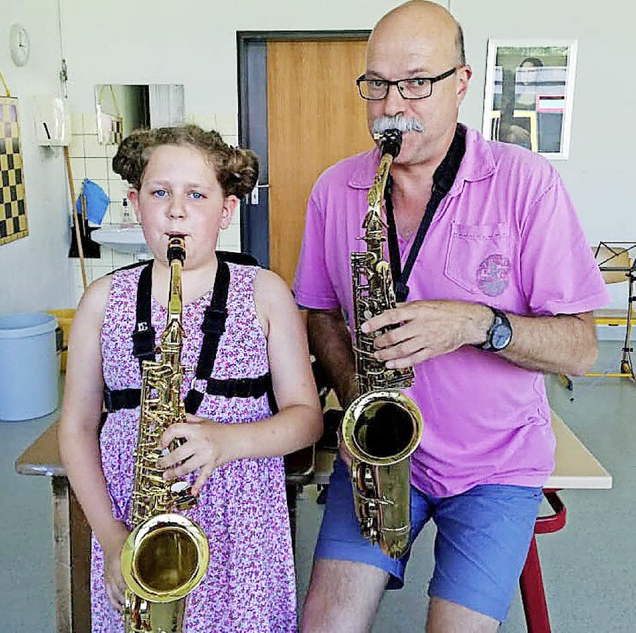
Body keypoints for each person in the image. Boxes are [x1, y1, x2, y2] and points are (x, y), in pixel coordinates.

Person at [293, 2, 609, 631]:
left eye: (415, 82)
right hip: (383, 458)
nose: (391, 105)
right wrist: (359, 396)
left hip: (497, 463)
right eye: (376, 84)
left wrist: (474, 324)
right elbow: (321, 310)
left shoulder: (527, 184)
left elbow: (581, 349)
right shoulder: (336, 189)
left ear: (461, 83)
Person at [58, 124, 322, 633]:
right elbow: (75, 426)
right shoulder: (100, 301)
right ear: (137, 204)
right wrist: (114, 541)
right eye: (160, 193)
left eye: (196, 195)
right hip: (132, 522)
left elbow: (306, 418)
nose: (176, 210)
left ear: (226, 211)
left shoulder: (266, 294)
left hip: (241, 530)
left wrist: (228, 441)